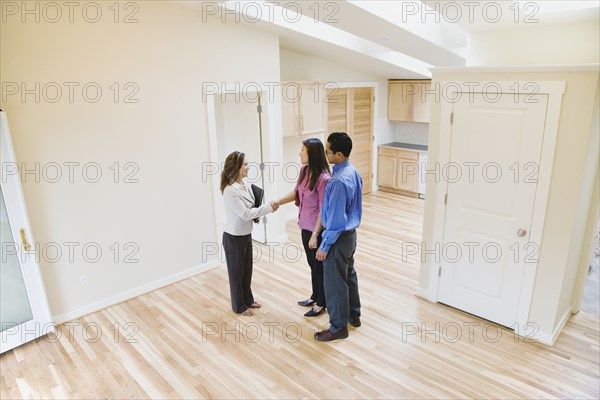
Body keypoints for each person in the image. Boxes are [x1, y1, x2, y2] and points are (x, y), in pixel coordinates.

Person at [314, 132, 362, 342]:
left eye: (328, 151)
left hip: (338, 238)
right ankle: (353, 314)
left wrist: (324, 245)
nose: (326, 155)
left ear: (339, 154)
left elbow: (335, 220)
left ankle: (338, 327)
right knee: (348, 275)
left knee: (334, 283)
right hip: (350, 237)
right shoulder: (353, 172)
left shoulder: (338, 182)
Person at [276, 138, 331, 317]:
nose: (299, 153)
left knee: (319, 267)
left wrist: (316, 234)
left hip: (316, 230)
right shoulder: (304, 171)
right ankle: (315, 296)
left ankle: (322, 302)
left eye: (302, 150)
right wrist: (278, 202)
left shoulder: (324, 178)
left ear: (311, 154)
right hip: (304, 226)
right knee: (312, 265)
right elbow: (296, 192)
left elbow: (323, 209)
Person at [221, 151, 279, 316]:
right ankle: (239, 306)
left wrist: (258, 215)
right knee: (236, 273)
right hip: (233, 237)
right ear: (236, 167)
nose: (248, 167)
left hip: (246, 233)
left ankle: (248, 299)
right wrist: (267, 208)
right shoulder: (229, 190)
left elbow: (253, 208)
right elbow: (245, 214)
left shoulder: (246, 184)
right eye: (245, 164)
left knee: (247, 270)